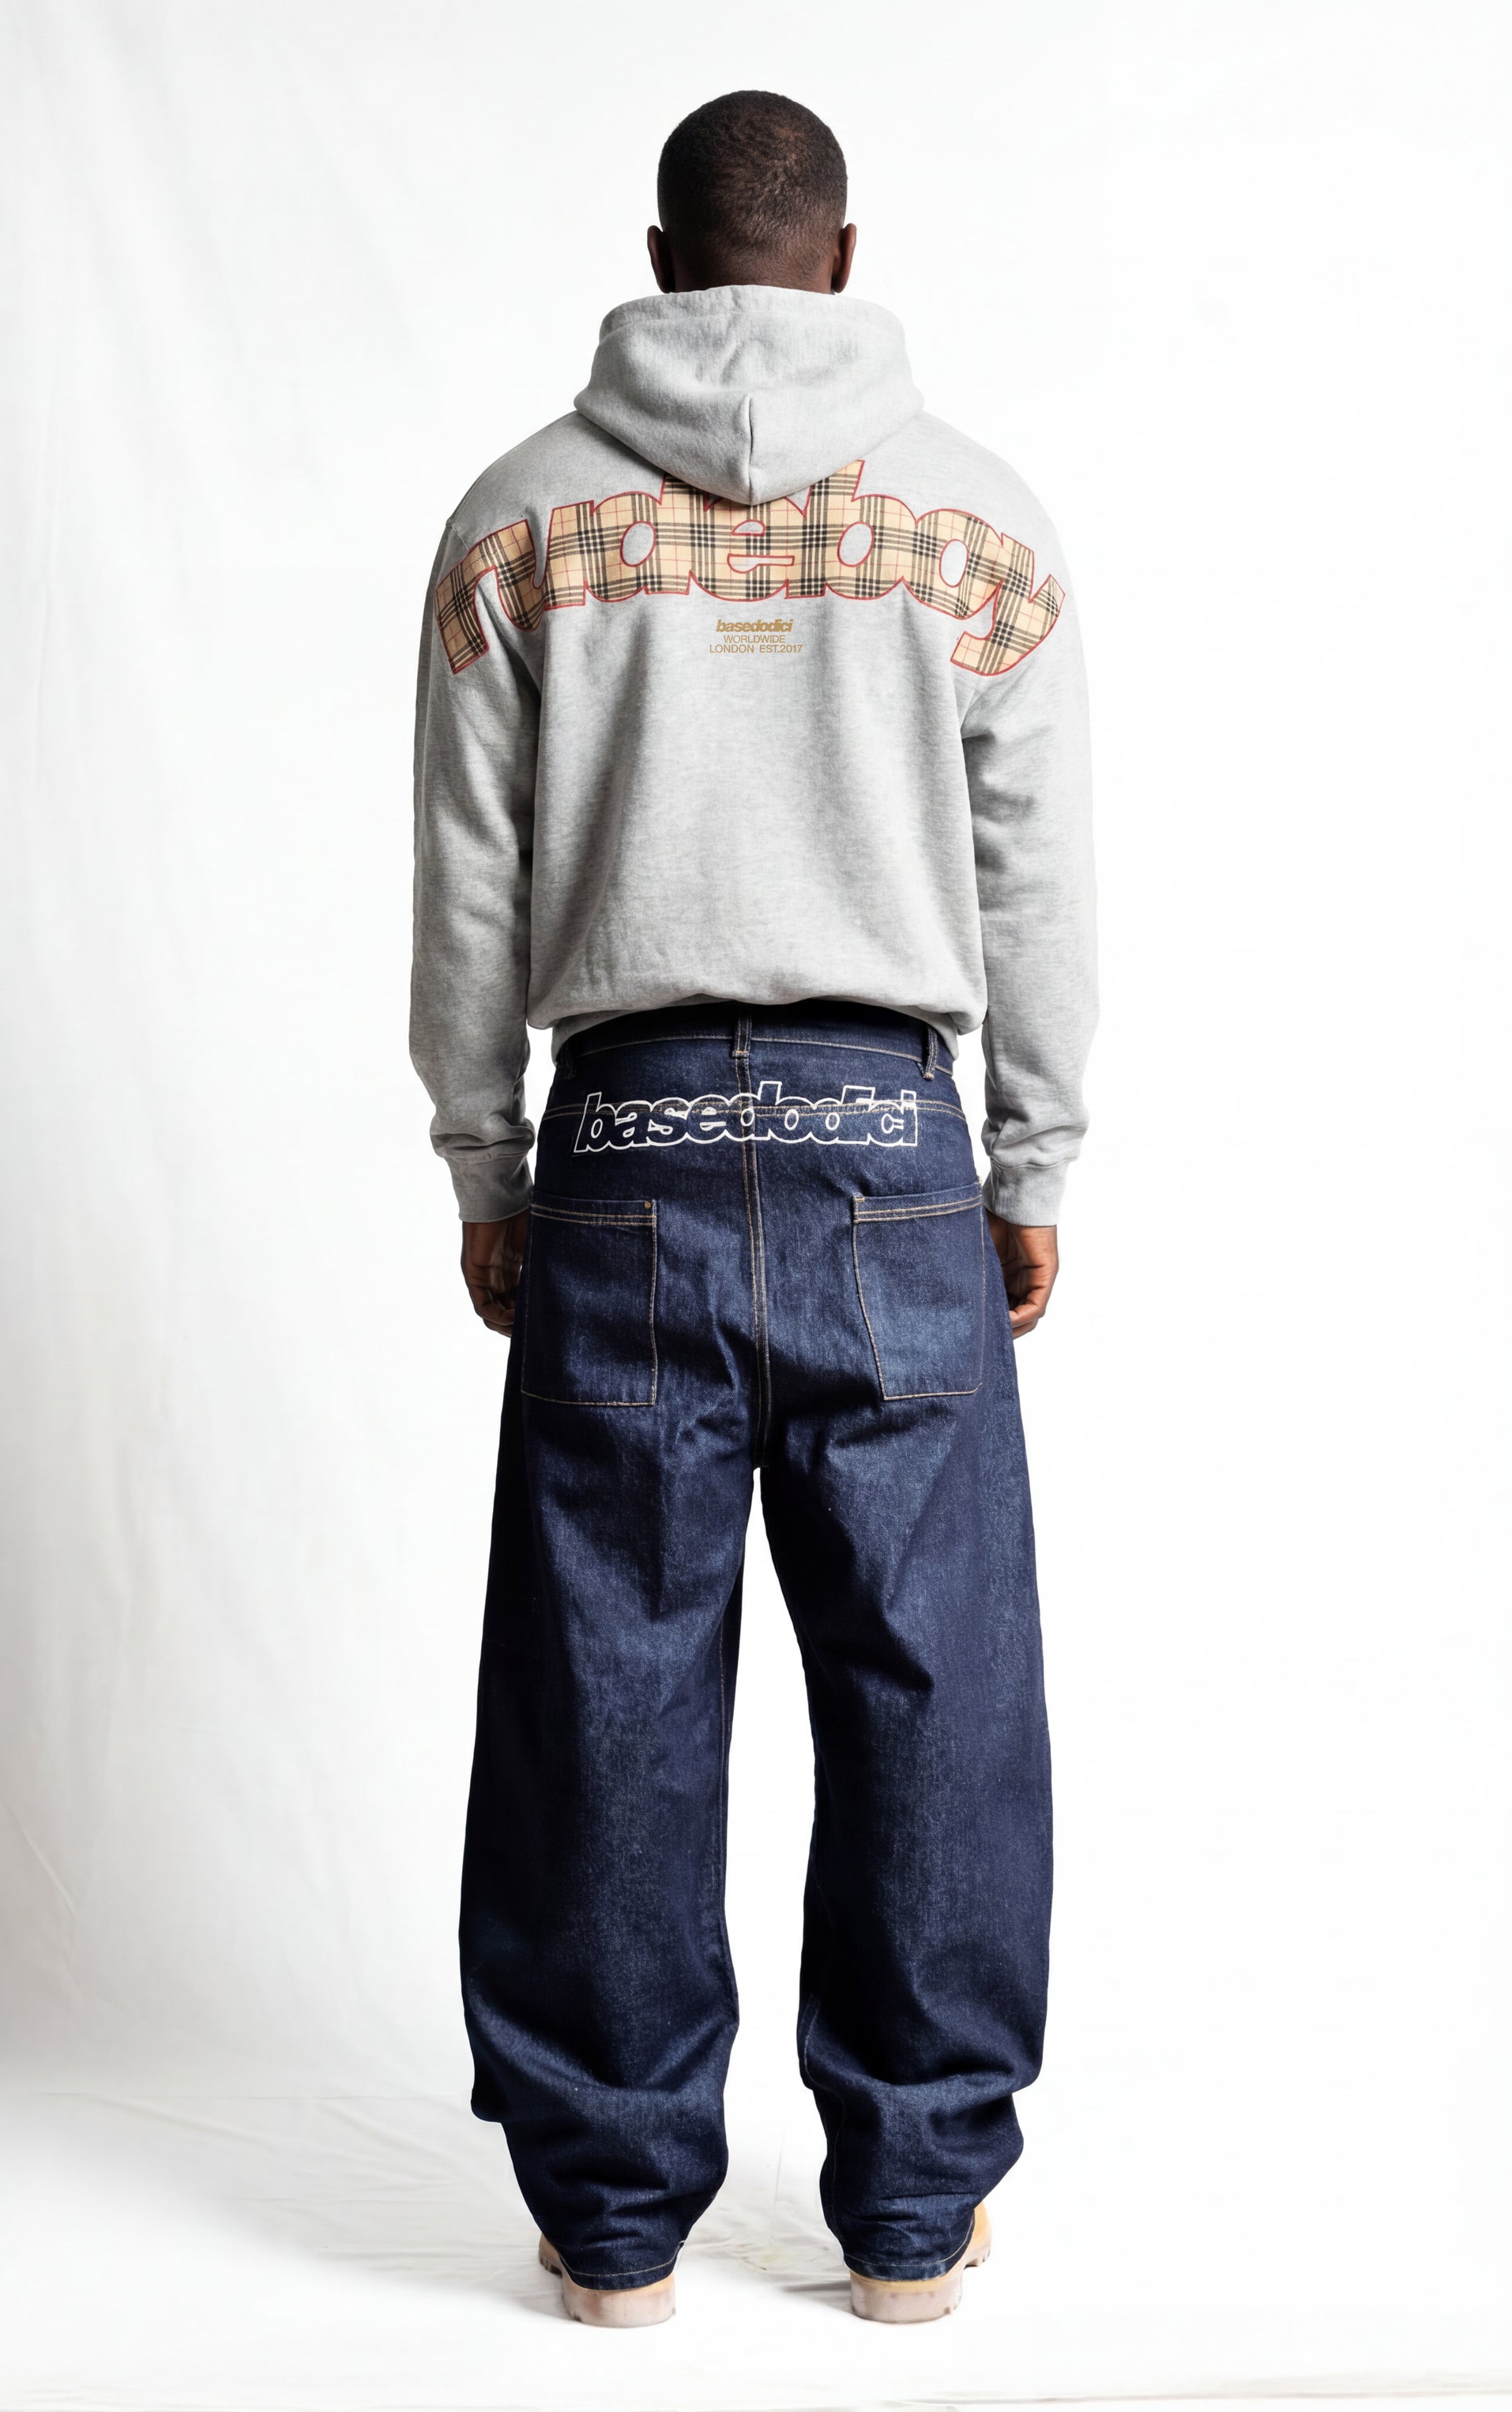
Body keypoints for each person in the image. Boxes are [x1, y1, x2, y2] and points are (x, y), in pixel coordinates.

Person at [411, 88, 1095, 2328]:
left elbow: (472, 881)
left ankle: (612, 2226)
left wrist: (488, 1161)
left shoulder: (522, 521)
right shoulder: (973, 524)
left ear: (660, 256)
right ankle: (912, 2211)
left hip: (619, 1158)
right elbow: (1036, 874)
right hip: (893, 1150)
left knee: (605, 1679)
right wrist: (1031, 1157)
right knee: (934, 1681)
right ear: (843, 256)